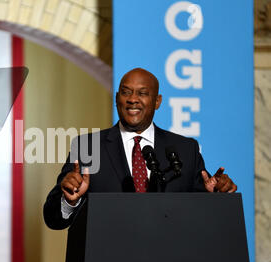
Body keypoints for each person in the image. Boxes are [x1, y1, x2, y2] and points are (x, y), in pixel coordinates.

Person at [43, 68, 237, 230]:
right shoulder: (89, 146)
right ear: (117, 98)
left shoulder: (185, 149)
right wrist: (70, 200)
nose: (133, 99)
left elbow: (203, 214)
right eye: (126, 92)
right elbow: (53, 219)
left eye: (142, 93)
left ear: (157, 101)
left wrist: (218, 197)